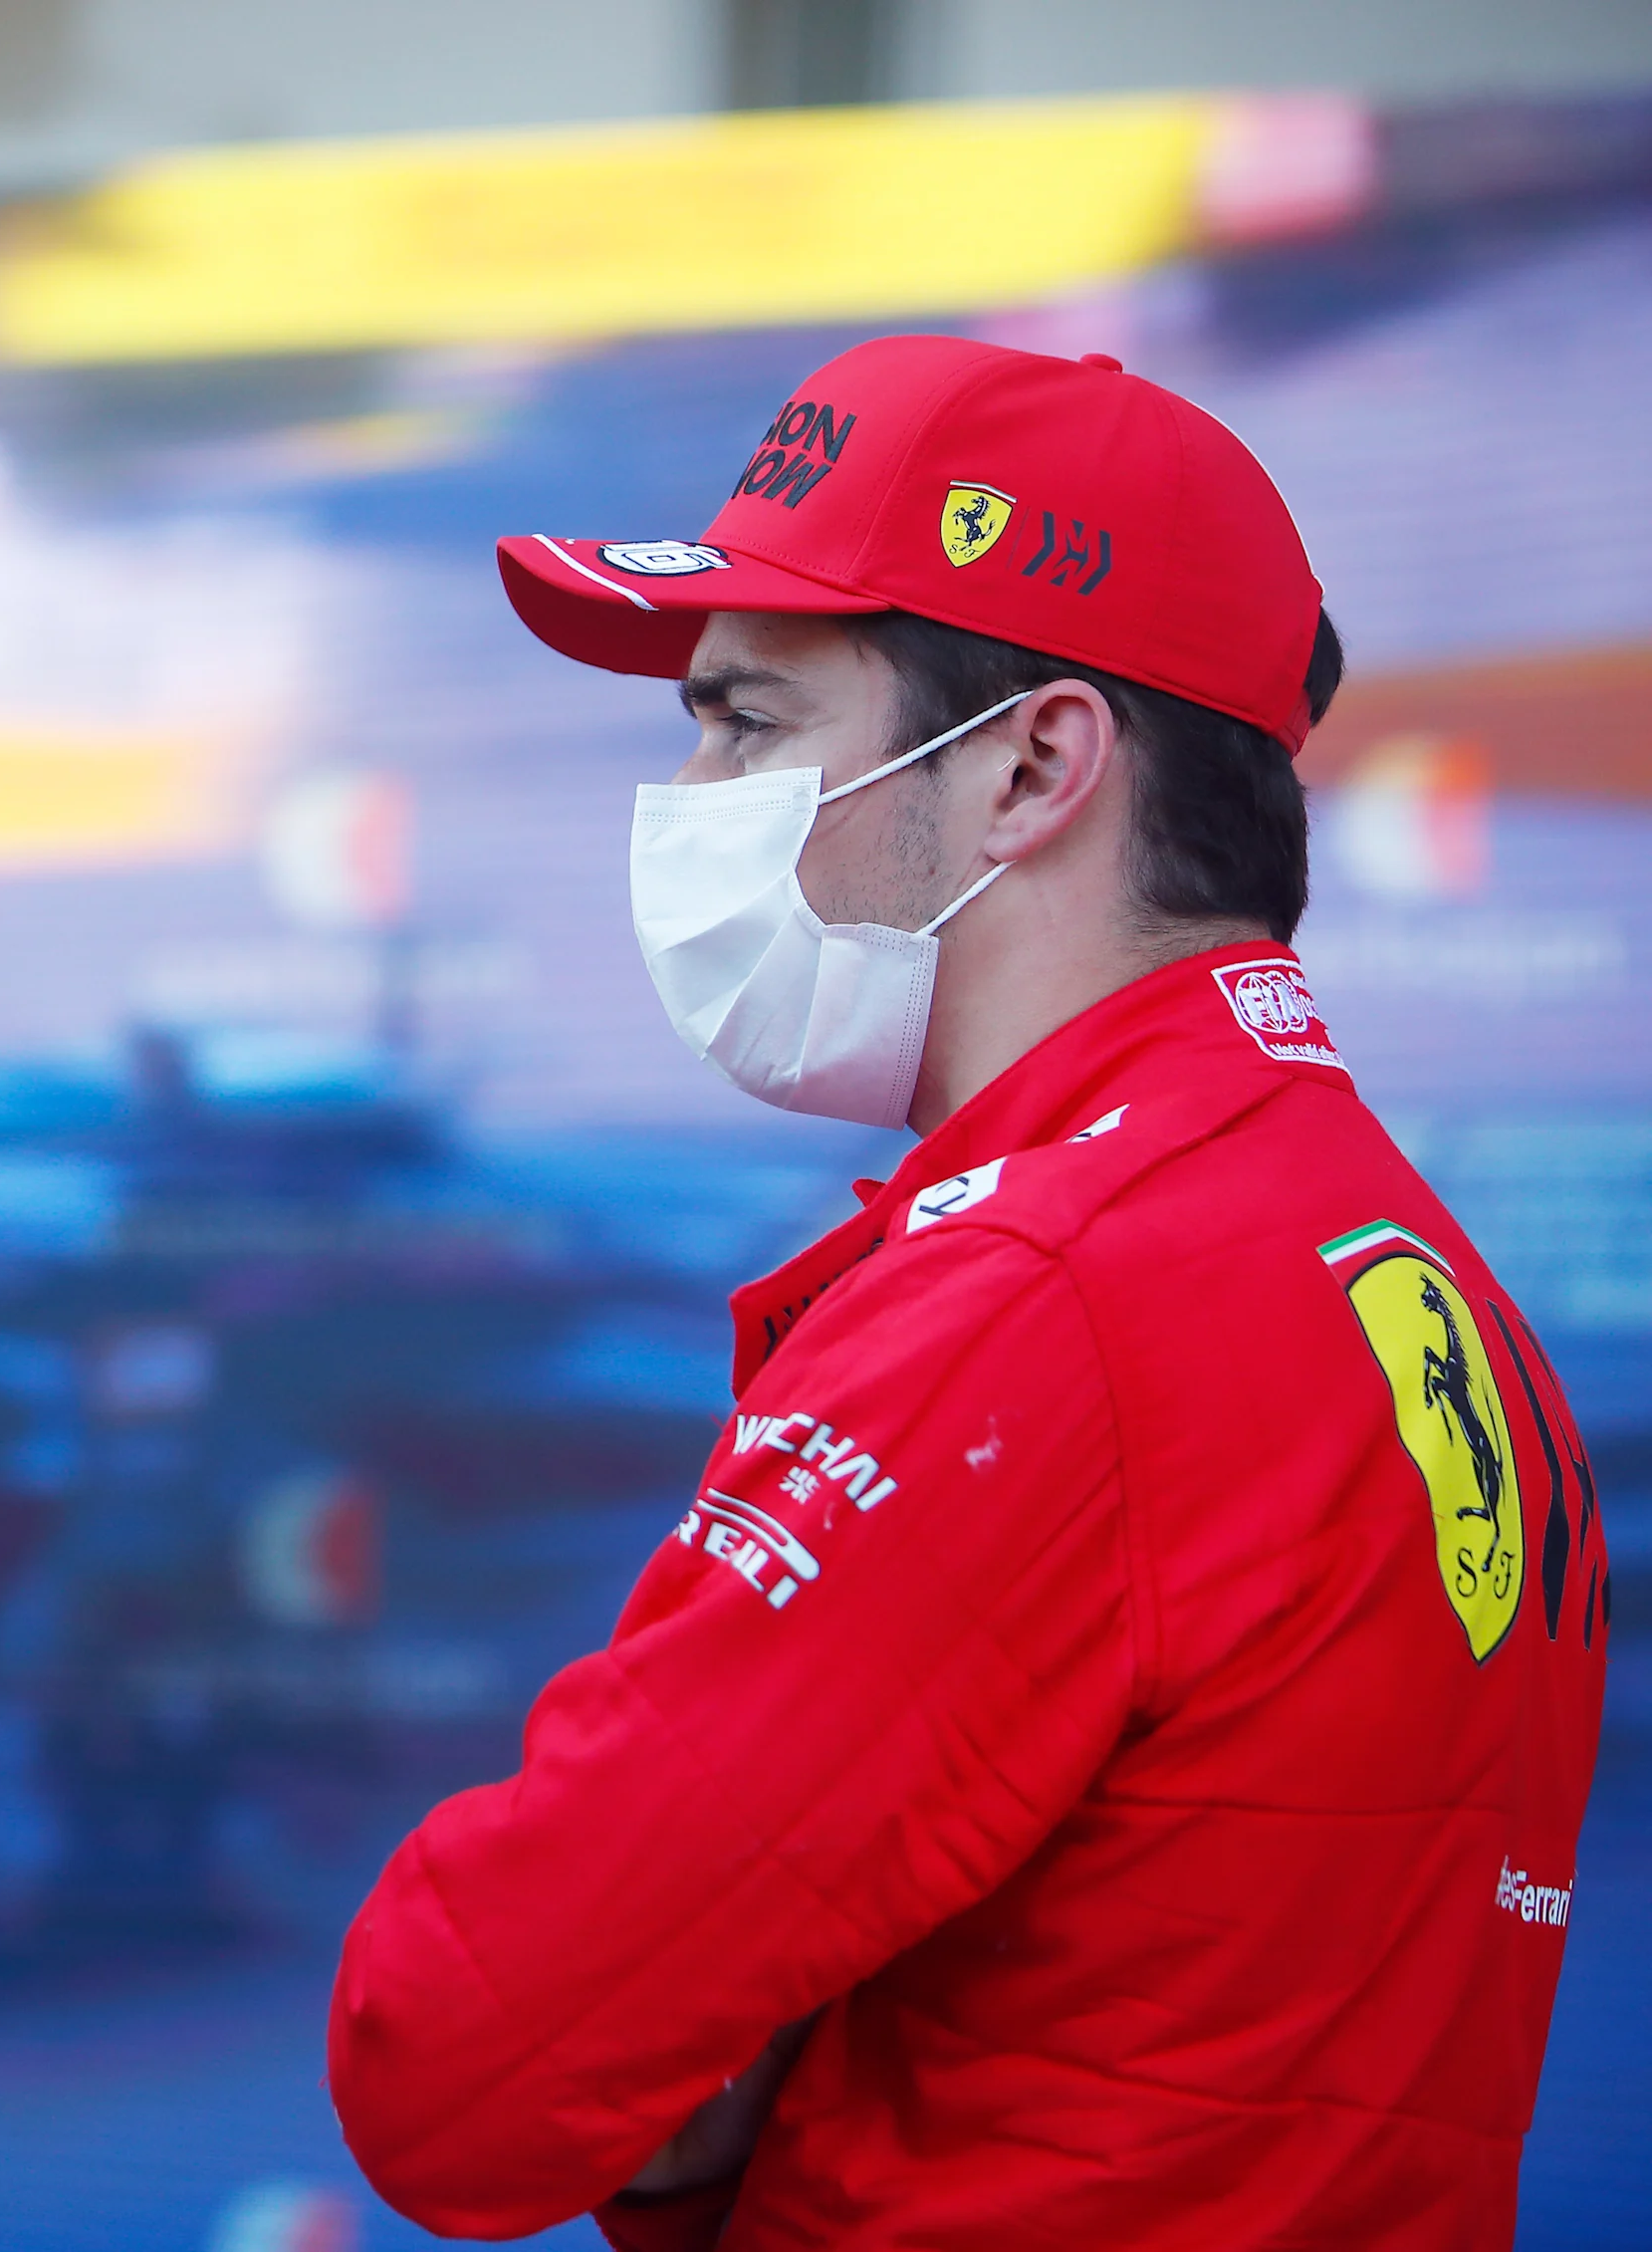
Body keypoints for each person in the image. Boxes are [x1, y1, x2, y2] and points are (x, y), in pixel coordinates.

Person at [325, 337, 1608, 2249]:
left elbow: (457, 2058)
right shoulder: (1403, 1267)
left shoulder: (1052, 1296)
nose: (687, 795)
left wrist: (708, 2099)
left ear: (1029, 767)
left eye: (747, 724)